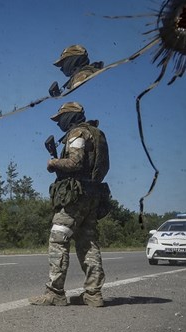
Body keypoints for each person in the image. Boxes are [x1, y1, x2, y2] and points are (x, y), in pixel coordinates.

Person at [29, 101, 110, 307]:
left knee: (58, 238)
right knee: (88, 243)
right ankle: (93, 294)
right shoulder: (96, 134)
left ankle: (54, 292)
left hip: (76, 196)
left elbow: (75, 162)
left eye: (60, 119)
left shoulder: (77, 134)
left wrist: (53, 163)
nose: (58, 123)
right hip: (92, 194)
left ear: (71, 117)